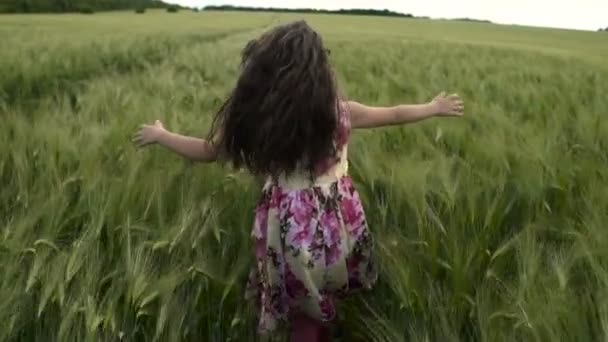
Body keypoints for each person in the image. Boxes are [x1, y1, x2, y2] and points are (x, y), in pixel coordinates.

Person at [133, 20, 463, 342]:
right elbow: (393, 114)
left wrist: (162, 135)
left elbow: (206, 152)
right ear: (319, 75)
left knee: (299, 289)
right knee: (330, 279)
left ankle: (309, 324)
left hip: (289, 227)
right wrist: (432, 107)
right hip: (337, 219)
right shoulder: (339, 113)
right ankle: (320, 323)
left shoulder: (261, 121)